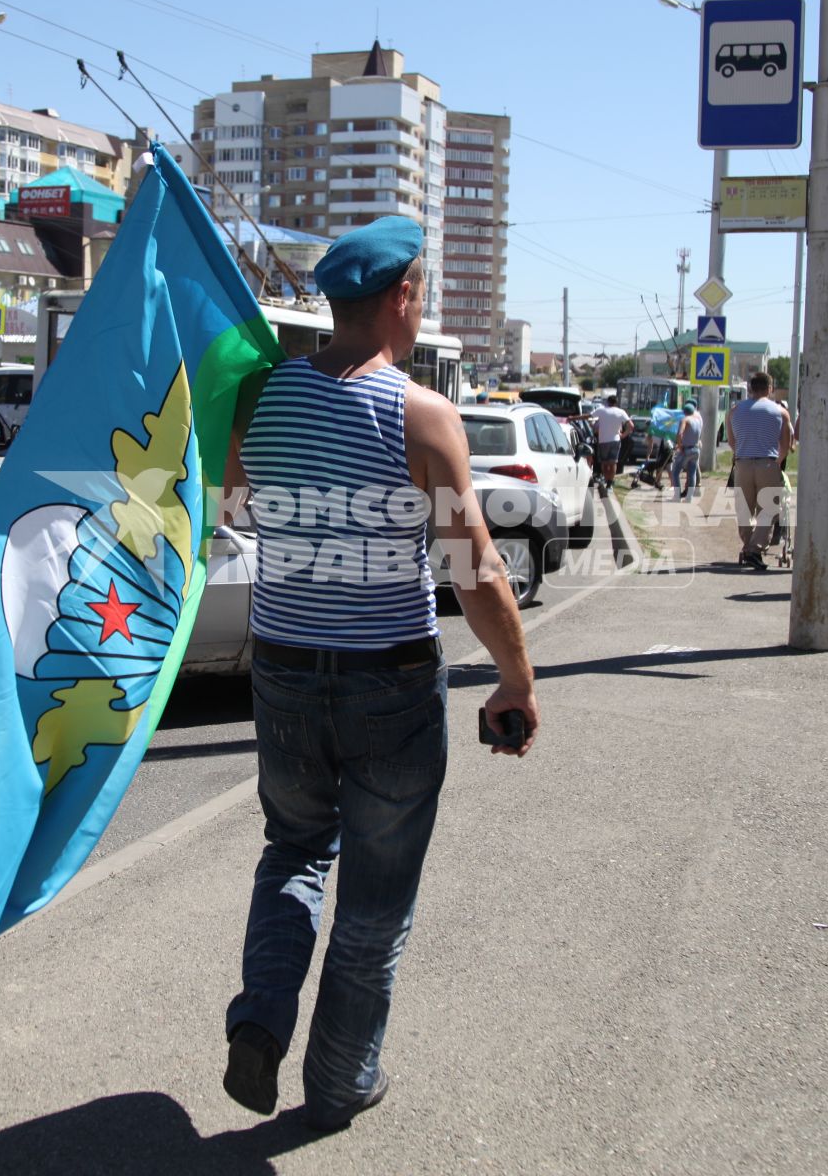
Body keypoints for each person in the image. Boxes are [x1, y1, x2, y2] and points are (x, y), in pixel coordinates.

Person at [221, 217, 539, 1130]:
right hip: (389, 685)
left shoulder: (263, 397)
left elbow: (238, 501)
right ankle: (339, 1080)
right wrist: (514, 681)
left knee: (292, 849)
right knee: (375, 894)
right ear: (403, 297)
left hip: (281, 669)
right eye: (422, 290)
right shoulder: (421, 415)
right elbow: (474, 567)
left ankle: (262, 1020)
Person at [727, 370, 794, 570]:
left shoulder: (734, 411)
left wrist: (743, 455)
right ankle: (755, 549)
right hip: (768, 463)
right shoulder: (780, 412)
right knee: (769, 508)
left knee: (744, 509)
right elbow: (785, 443)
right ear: (770, 389)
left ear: (750, 388)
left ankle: (748, 545)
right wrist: (776, 461)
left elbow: (732, 442)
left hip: (742, 463)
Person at [591, 395, 634, 486]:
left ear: (607, 402)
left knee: (605, 463)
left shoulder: (602, 410)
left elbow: (590, 417)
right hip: (615, 440)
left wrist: (573, 418)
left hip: (603, 440)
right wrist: (623, 435)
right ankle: (610, 483)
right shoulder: (621, 412)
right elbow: (631, 426)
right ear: (616, 402)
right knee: (613, 462)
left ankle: (606, 480)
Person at [672, 400, 703, 500]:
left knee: (675, 472)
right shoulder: (698, 420)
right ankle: (689, 497)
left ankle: (677, 496)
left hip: (686, 449)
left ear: (684, 412)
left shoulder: (685, 420)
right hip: (696, 449)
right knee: (692, 473)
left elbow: (680, 434)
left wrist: (679, 445)